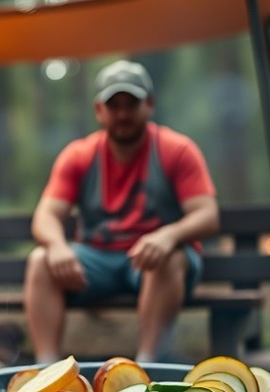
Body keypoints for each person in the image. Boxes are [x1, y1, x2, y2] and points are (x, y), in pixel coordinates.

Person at [23, 59, 220, 363]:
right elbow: (46, 216)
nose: (123, 114)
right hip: (95, 262)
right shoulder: (78, 155)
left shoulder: (177, 150)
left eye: (132, 103)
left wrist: (169, 235)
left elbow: (207, 214)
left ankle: (149, 367)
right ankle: (45, 372)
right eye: (114, 105)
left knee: (170, 258)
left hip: (155, 264)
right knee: (40, 260)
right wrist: (58, 246)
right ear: (99, 110)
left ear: (149, 105)